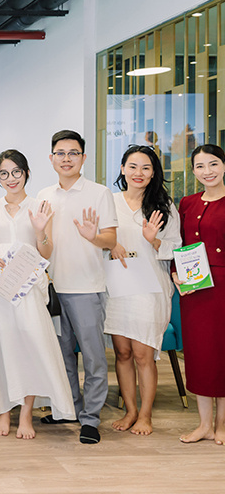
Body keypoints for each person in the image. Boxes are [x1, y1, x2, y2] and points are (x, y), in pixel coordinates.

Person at [0, 150, 75, 439]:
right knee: (0, 348)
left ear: (27, 173)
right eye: (4, 174)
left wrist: (40, 231)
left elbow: (46, 252)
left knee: (30, 347)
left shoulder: (39, 207)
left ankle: (25, 414)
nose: (11, 179)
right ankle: (3, 412)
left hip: (28, 290)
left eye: (16, 172)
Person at [37, 130, 117, 445]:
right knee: (62, 356)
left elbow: (110, 240)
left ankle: (91, 419)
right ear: (51, 158)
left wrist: (93, 236)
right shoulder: (44, 195)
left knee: (93, 358)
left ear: (83, 157)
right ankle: (69, 409)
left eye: (73, 153)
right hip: (53, 289)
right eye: (60, 153)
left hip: (87, 288)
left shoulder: (99, 193)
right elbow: (42, 244)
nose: (66, 158)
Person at [105, 145, 180, 436]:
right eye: (133, 166)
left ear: (153, 173)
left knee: (143, 354)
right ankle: (130, 411)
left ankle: (146, 415)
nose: (139, 173)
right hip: (117, 288)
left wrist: (154, 240)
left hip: (150, 290)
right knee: (122, 353)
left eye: (146, 168)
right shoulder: (109, 202)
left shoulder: (164, 206)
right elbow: (98, 239)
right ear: (122, 169)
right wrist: (111, 244)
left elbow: (176, 247)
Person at [172, 144, 225, 444]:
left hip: (223, 287)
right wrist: (175, 273)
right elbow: (178, 242)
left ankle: (222, 425)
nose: (208, 171)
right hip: (194, 288)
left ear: (224, 165)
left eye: (214, 164)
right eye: (201, 166)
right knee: (200, 356)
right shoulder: (187, 203)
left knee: (222, 354)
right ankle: (204, 424)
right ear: (193, 171)